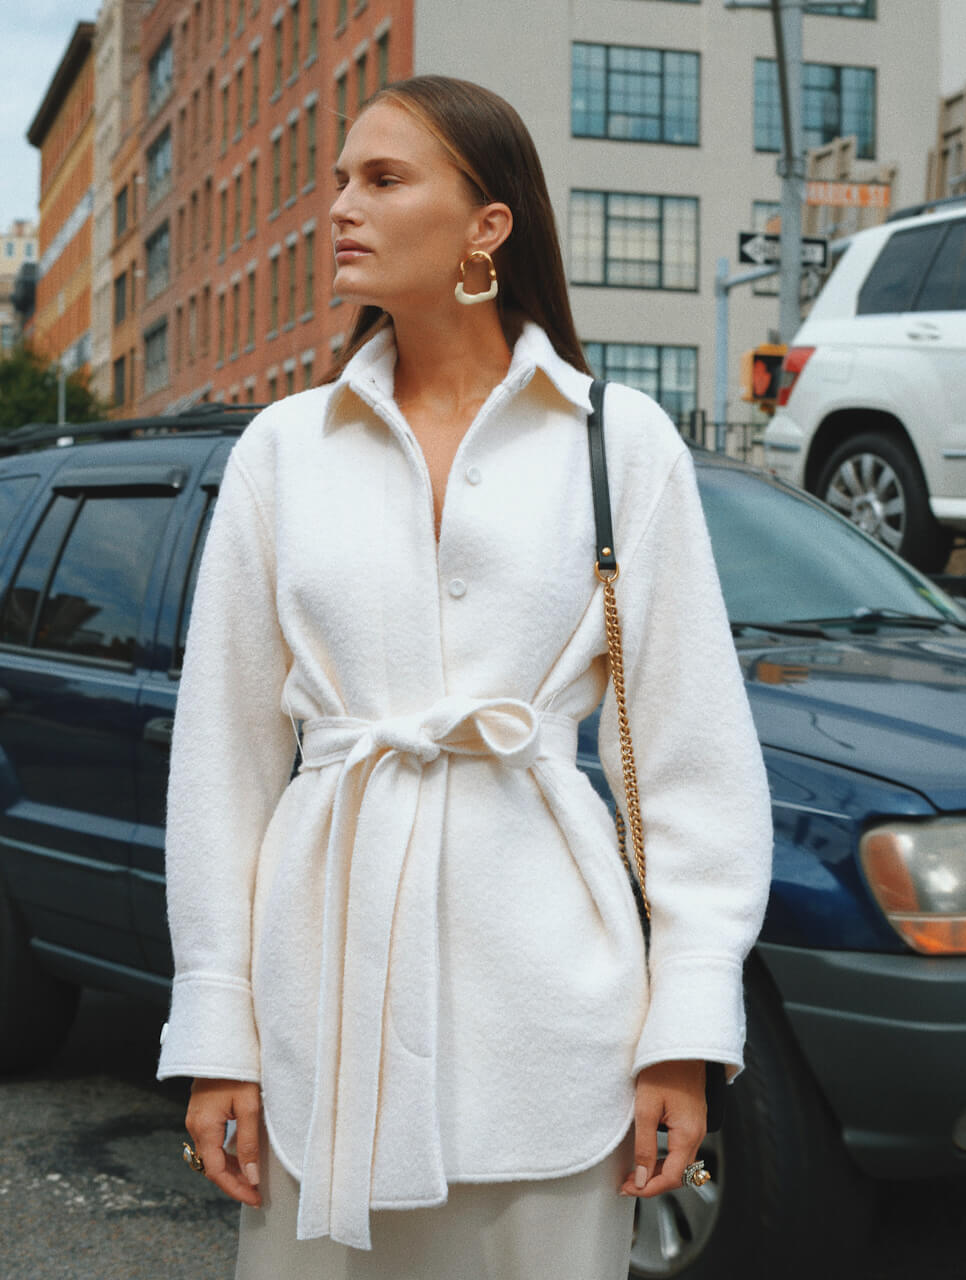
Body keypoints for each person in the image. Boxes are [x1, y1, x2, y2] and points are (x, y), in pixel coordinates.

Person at [157, 74, 773, 1279]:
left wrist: (685, 1027)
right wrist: (216, 1022)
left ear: (487, 224)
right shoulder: (283, 450)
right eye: (339, 178)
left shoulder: (617, 440)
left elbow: (692, 755)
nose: (341, 205)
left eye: (383, 179)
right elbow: (222, 762)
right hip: (319, 1009)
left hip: (556, 1015)